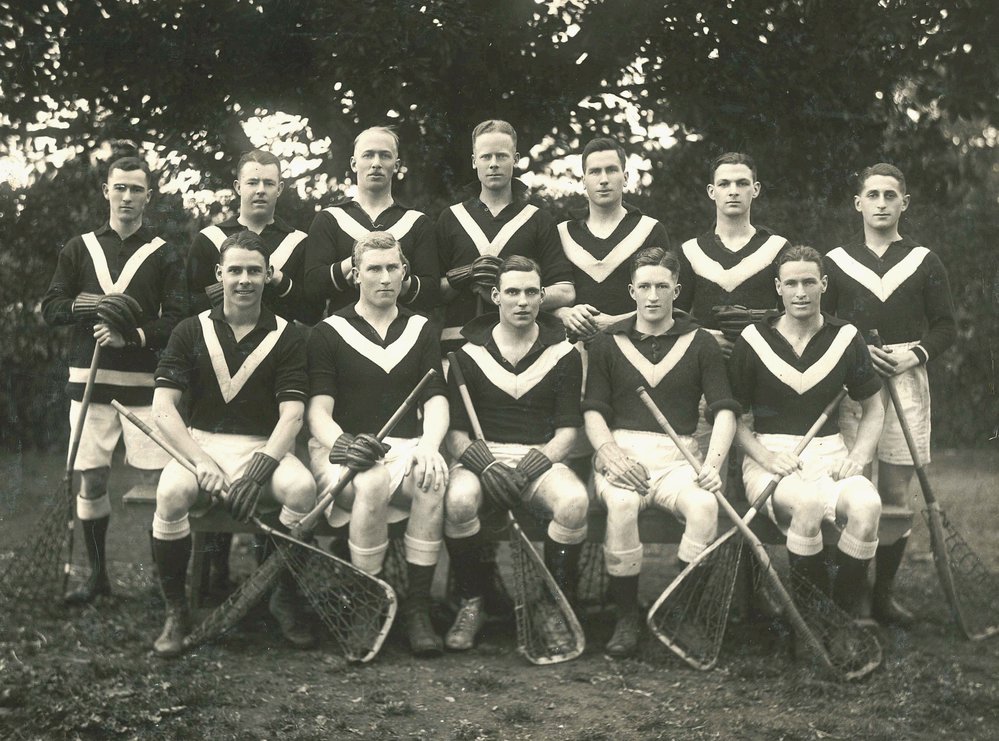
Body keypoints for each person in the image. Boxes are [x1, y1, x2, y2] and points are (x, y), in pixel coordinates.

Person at [150, 231, 317, 657]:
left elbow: (292, 416)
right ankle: (176, 610)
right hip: (203, 444)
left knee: (302, 490)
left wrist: (259, 470)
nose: (245, 280)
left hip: (265, 446)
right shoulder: (191, 330)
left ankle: (280, 596)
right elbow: (164, 408)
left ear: (268, 276)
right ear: (220, 274)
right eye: (236, 270)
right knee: (170, 493)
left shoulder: (288, 335)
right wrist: (200, 460)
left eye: (254, 271)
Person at [41, 155, 185, 605]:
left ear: (148, 195)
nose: (127, 197)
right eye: (119, 187)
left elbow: (180, 319)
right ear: (106, 190)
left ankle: (166, 584)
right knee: (93, 480)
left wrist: (133, 334)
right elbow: (51, 307)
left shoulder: (163, 252)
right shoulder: (78, 248)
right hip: (89, 384)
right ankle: (98, 577)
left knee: (162, 484)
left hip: (145, 386)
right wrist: (95, 306)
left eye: (136, 189)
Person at [583, 247, 738, 657]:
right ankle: (626, 617)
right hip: (623, 453)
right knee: (619, 505)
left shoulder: (700, 341)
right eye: (645, 286)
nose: (653, 295)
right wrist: (610, 453)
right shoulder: (607, 342)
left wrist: (713, 465)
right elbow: (594, 412)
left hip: (679, 459)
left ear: (677, 290)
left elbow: (724, 411)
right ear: (631, 291)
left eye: (662, 287)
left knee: (705, 507)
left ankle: (679, 610)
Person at [306, 231, 449, 656]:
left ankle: (417, 607)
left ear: (405, 272)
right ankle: (367, 603)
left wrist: (430, 444)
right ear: (356, 275)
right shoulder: (329, 332)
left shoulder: (422, 329)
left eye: (393, 268)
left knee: (431, 478)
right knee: (369, 482)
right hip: (342, 450)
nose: (385, 277)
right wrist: (346, 443)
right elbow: (318, 413)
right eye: (374, 269)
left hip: (402, 447)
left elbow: (436, 398)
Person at [825, 163, 956, 627]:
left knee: (895, 494)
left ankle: (883, 595)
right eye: (872, 195)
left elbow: (945, 327)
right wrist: (856, 353)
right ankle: (853, 594)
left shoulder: (924, 260)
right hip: (850, 383)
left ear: (904, 203)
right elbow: (822, 324)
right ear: (858, 203)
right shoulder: (835, 261)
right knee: (850, 484)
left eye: (890, 195)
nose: (881, 203)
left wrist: (912, 355)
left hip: (905, 377)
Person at [728, 245, 885, 627]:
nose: (801, 291)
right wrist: (766, 458)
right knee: (809, 504)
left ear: (824, 285)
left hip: (830, 453)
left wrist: (859, 455)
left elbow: (875, 407)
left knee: (868, 507)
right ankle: (809, 626)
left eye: (809, 282)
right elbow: (728, 416)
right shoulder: (754, 339)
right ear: (778, 288)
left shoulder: (845, 337)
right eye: (792, 283)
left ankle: (839, 621)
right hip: (771, 455)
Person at [442, 256, 588, 650]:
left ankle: (550, 604)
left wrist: (529, 468)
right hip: (483, 456)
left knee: (574, 502)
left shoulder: (564, 354)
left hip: (540, 456)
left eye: (530, 292)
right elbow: (454, 435)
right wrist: (486, 465)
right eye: (512, 292)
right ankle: (474, 601)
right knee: (457, 501)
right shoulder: (466, 355)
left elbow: (568, 434)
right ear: (496, 297)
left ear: (542, 297)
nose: (521, 301)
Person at [437, 119, 575, 356]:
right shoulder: (451, 218)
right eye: (486, 157)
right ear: (474, 161)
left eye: (501, 156)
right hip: (459, 347)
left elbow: (565, 292)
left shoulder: (537, 219)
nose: (493, 164)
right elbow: (432, 292)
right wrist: (463, 276)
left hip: (523, 348)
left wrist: (517, 292)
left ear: (516, 159)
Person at [304, 126, 439, 318]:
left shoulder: (417, 222)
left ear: (397, 164)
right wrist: (352, 265)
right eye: (368, 155)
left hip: (402, 334)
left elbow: (432, 294)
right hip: (345, 334)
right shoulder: (330, 219)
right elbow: (312, 287)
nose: (376, 163)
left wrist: (399, 277)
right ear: (353, 163)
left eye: (385, 156)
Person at [554, 137, 671, 342]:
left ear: (625, 177)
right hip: (573, 350)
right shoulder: (562, 233)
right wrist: (563, 313)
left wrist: (615, 323)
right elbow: (540, 296)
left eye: (612, 170)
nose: (604, 179)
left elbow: (665, 301)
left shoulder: (650, 229)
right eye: (595, 171)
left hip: (634, 346)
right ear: (583, 180)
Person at [185, 149, 318, 324]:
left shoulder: (299, 242)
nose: (260, 190)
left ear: (280, 189)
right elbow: (188, 306)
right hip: (219, 344)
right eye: (252, 183)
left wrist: (279, 280)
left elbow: (312, 313)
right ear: (238, 187)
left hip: (277, 346)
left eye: (269, 183)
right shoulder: (208, 239)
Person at [676, 152, 789, 355]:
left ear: (755, 189)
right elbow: (673, 318)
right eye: (724, 184)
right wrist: (705, 339)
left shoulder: (778, 248)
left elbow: (794, 316)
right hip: (705, 365)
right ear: (712, 191)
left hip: (763, 366)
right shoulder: (690, 251)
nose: (733, 191)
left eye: (742, 183)